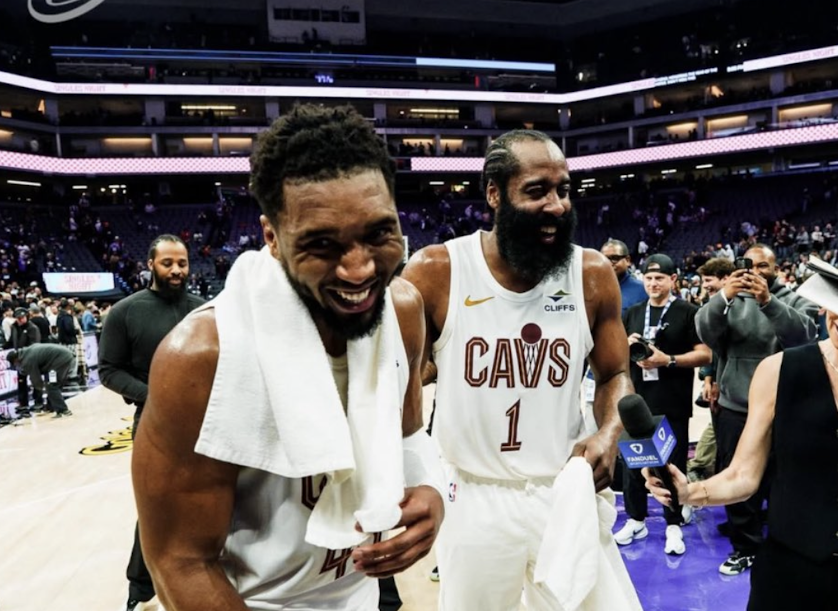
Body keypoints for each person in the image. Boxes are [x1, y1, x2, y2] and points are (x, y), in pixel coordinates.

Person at [132, 104, 444, 610]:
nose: (359, 270)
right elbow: (180, 563)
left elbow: (408, 434)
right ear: (272, 238)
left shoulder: (403, 310)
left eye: (378, 233)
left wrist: (429, 490)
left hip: (359, 593)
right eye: (322, 244)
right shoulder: (202, 357)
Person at [402, 129, 633, 610]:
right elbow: (400, 385)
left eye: (563, 190)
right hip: (473, 494)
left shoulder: (591, 274)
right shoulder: (436, 270)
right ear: (494, 193)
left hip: (564, 486)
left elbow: (614, 374)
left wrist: (610, 431)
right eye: (536, 191)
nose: (557, 206)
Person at [644, 257, 838, 611]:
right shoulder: (779, 370)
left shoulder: (786, 303)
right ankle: (744, 546)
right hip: (793, 565)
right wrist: (690, 492)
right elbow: (743, 474)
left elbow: (797, 329)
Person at [695, 243, 818, 575]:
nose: (755, 272)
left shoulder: (796, 298)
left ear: (776, 269)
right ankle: (745, 548)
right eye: (749, 265)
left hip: (784, 408)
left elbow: (805, 337)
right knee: (736, 477)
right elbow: (705, 332)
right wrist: (723, 296)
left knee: (783, 480)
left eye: (763, 266)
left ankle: (783, 544)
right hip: (735, 406)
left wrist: (767, 301)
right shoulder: (730, 299)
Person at [98, 234, 205, 611]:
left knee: (214, 500)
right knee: (156, 509)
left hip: (206, 421)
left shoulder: (205, 311)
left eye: (182, 263)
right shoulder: (125, 312)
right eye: (167, 263)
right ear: (150, 265)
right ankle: (140, 592)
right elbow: (109, 370)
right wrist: (156, 396)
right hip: (154, 423)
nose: (176, 270)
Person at [615, 253, 711, 555]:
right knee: (632, 462)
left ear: (673, 279)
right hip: (638, 401)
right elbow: (617, 355)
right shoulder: (633, 312)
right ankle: (636, 519)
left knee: (672, 462)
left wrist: (667, 360)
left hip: (672, 400)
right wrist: (626, 346)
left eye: (659, 278)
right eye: (648, 278)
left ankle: (673, 523)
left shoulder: (688, 312)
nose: (653, 283)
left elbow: (705, 354)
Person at [687, 257, 734, 482]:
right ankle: (700, 465)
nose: (704, 286)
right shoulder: (711, 307)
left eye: (709, 280)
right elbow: (711, 350)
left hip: (736, 380)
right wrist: (708, 380)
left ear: (726, 279)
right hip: (720, 381)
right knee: (716, 424)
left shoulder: (739, 307)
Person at [5, 344, 74, 417]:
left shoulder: (28, 360)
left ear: (15, 360)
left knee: (51, 385)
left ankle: (63, 411)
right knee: (52, 384)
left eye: (15, 364)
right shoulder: (26, 352)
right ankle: (51, 407)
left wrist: (40, 388)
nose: (16, 366)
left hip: (60, 359)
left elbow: (36, 379)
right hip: (62, 357)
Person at [4, 307, 42, 415]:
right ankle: (23, 403)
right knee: (21, 381)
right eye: (18, 318)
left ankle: (38, 402)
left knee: (35, 380)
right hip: (19, 359)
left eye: (22, 318)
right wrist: (4, 347)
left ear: (27, 317)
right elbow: (11, 341)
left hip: (31, 358)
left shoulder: (33, 328)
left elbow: (35, 344)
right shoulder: (14, 327)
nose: (20, 320)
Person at [600, 239, 647, 315]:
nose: (609, 263)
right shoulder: (593, 288)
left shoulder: (643, 289)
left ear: (627, 260)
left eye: (614, 258)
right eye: (604, 259)